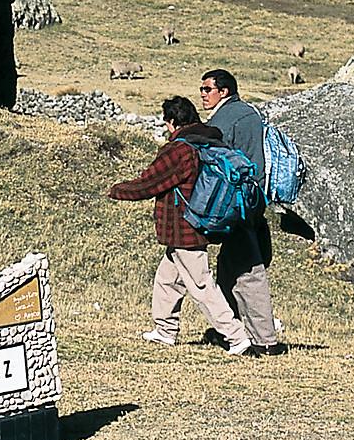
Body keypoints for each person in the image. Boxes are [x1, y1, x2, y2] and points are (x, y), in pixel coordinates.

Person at [107, 95, 253, 355]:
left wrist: (117, 191)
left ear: (172, 121)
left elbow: (149, 183)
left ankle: (236, 336)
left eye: (166, 121)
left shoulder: (179, 150)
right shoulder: (206, 140)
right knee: (168, 278)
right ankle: (165, 331)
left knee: (201, 284)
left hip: (184, 228)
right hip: (194, 224)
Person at [199, 66, 284, 356]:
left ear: (224, 91)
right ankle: (229, 328)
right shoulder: (250, 113)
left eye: (207, 89)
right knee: (230, 266)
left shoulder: (225, 119)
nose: (202, 95)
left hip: (237, 203)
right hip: (253, 199)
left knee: (249, 270)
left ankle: (265, 340)